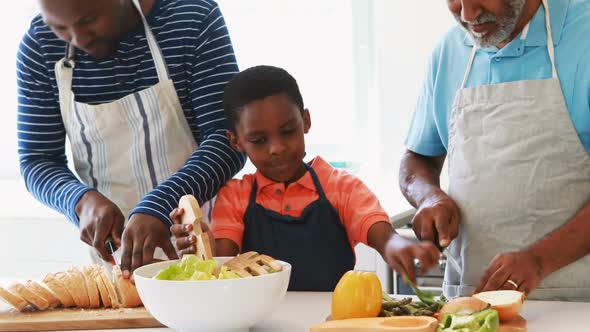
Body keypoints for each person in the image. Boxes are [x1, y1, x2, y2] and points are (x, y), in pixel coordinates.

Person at [16, 0, 245, 276]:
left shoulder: (191, 20)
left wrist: (161, 204)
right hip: (116, 265)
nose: (78, 39)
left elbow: (227, 140)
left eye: (88, 20)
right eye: (60, 27)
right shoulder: (40, 47)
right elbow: (38, 160)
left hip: (208, 250)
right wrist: (80, 200)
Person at [169, 65, 441, 291]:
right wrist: (198, 251)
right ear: (236, 141)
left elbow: (380, 232)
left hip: (332, 321)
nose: (277, 147)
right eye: (259, 140)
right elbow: (223, 265)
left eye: (287, 131)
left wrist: (396, 246)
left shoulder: (340, 186)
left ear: (306, 121)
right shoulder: (235, 196)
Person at [400, 0, 590, 300]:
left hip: (578, 305)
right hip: (471, 302)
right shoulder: (449, 52)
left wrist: (539, 260)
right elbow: (418, 157)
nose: (467, 14)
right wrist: (429, 196)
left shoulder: (584, 37)